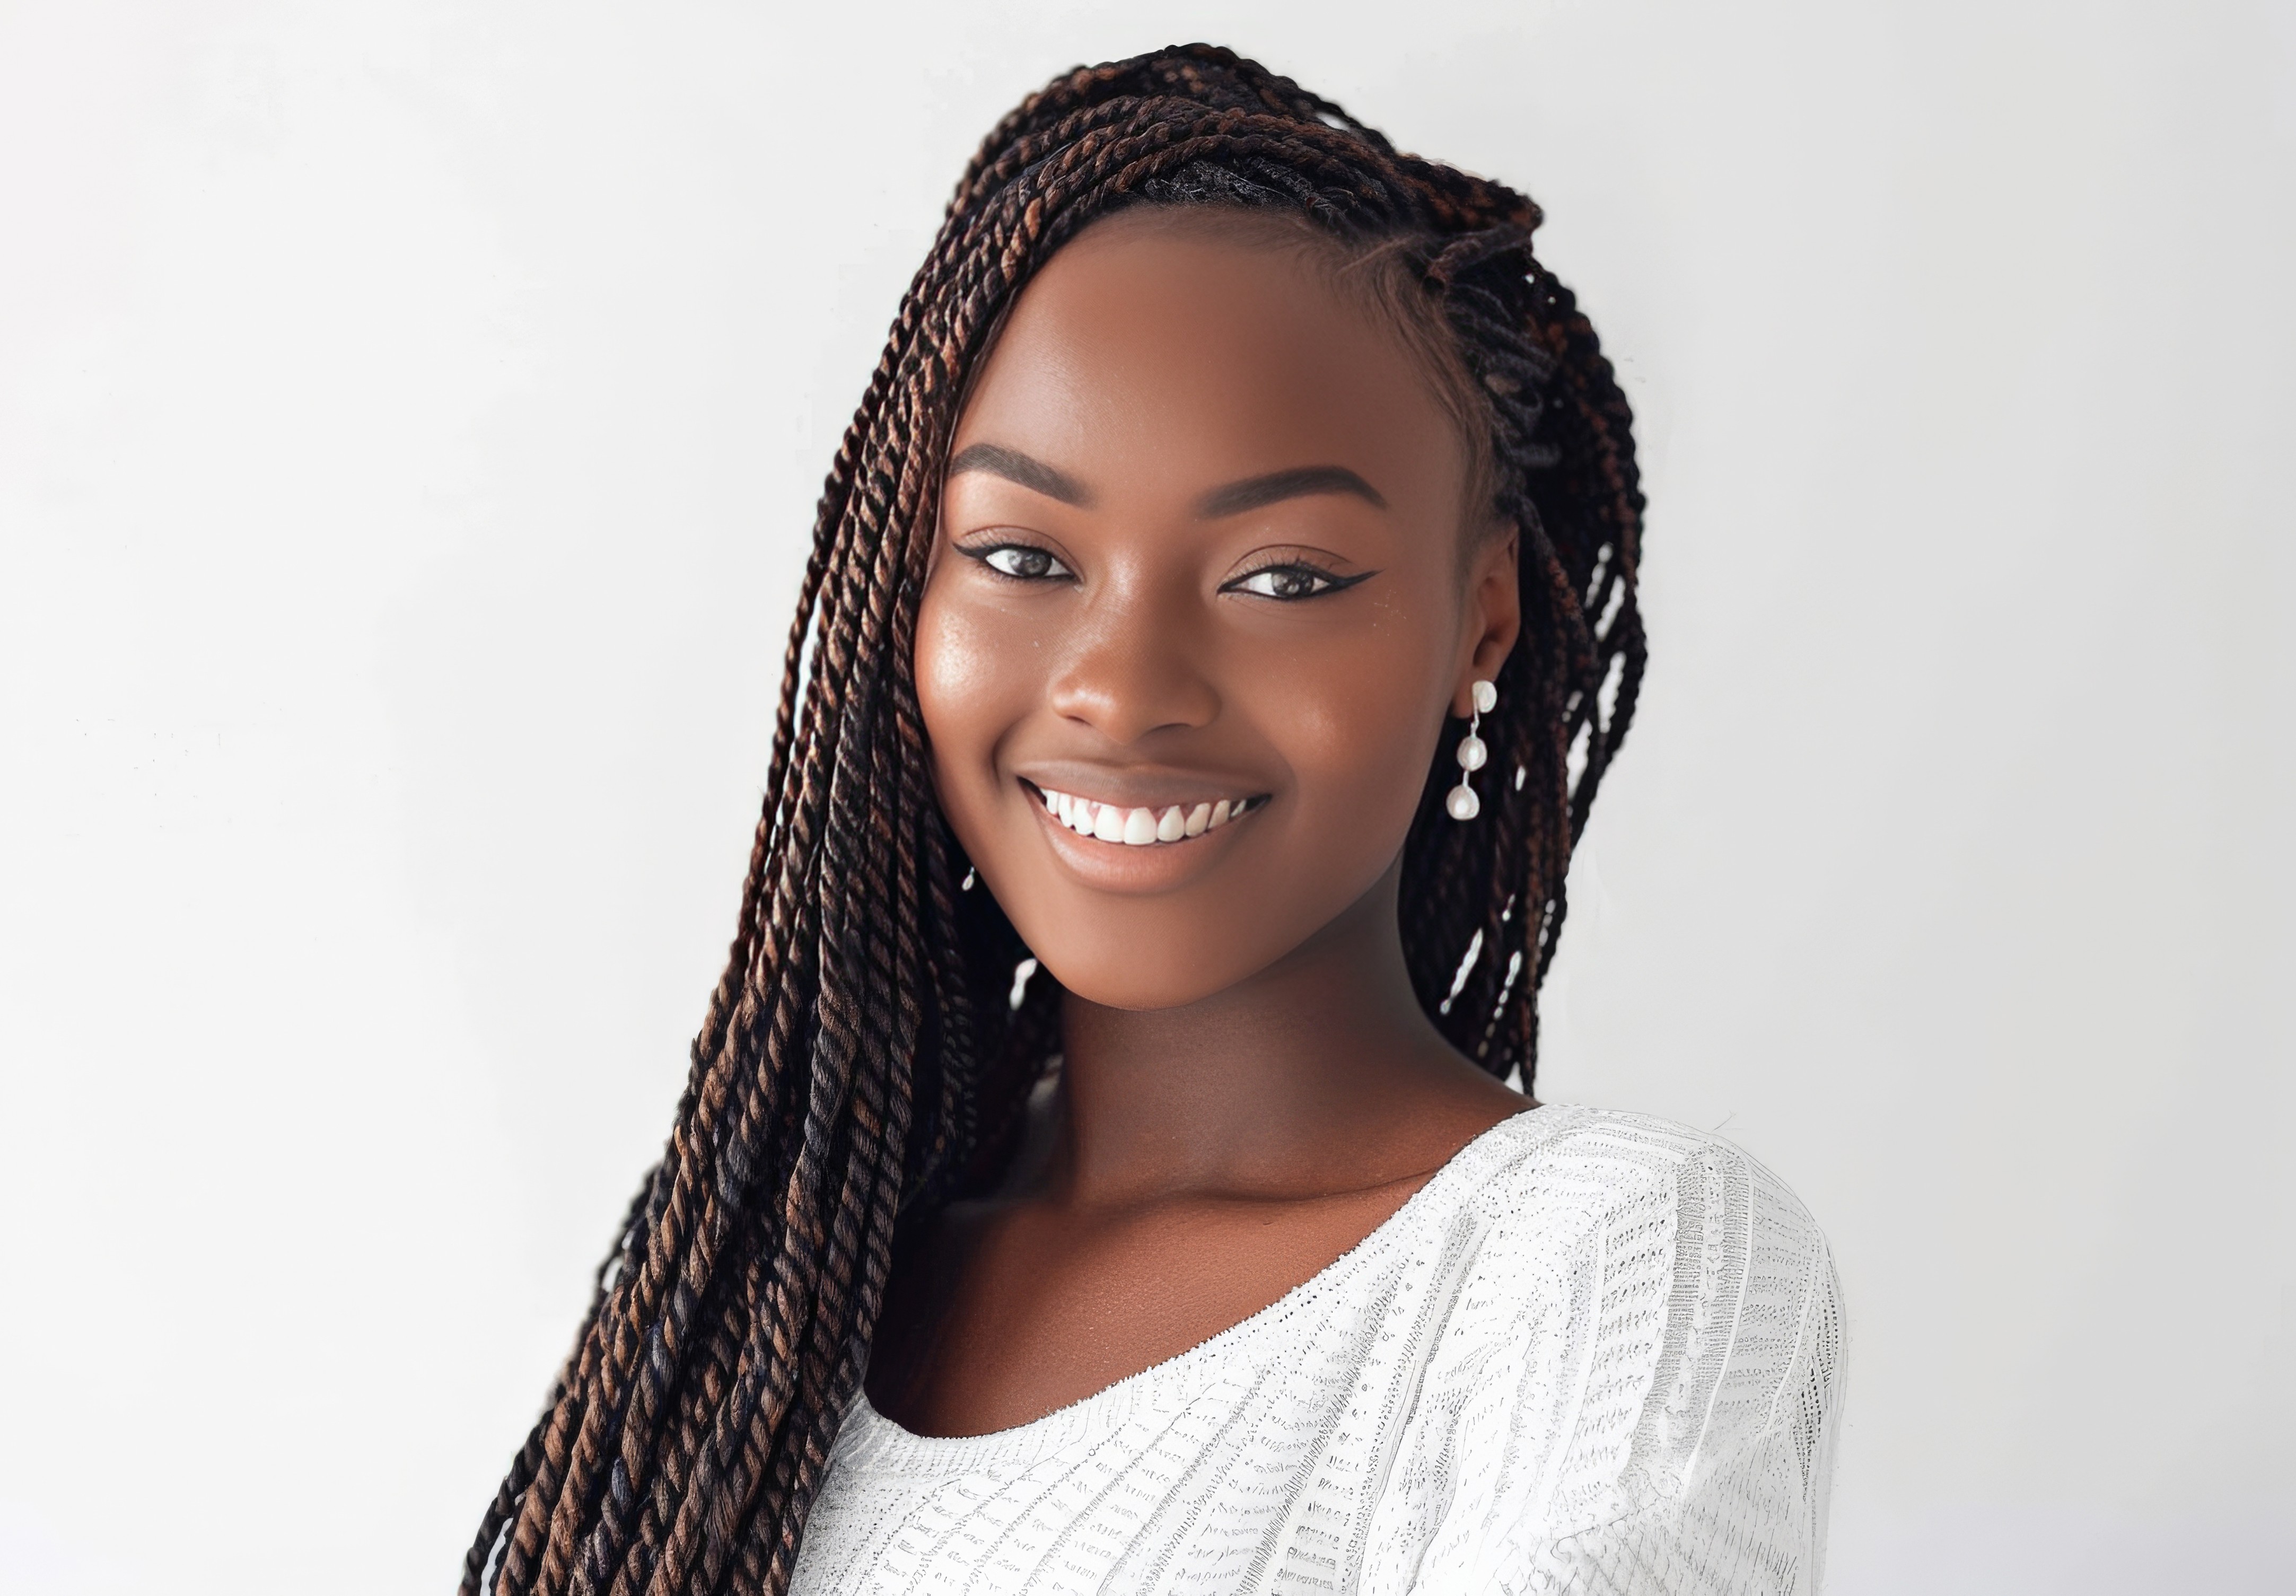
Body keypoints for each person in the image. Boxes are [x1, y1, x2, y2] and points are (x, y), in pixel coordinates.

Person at [464, 45, 1841, 1596]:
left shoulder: (1609, 1264)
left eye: (1282, 578)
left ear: (1481, 622)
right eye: (1022, 558)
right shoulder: (780, 1287)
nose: (1120, 692)